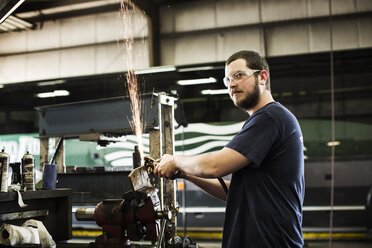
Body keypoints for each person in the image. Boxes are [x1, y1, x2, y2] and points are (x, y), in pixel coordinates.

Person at [154, 50, 305, 248]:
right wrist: (184, 173)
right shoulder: (267, 120)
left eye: (239, 75)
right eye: (227, 80)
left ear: (262, 77)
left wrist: (175, 160)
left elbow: (215, 166)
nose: (231, 84)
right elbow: (235, 191)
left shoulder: (270, 117)